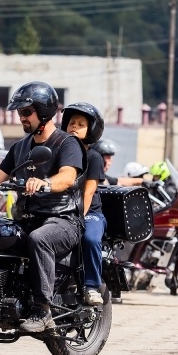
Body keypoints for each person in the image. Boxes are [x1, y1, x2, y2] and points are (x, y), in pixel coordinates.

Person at [0, 81, 85, 333]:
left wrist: (44, 183)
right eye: (19, 113)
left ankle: (43, 311)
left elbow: (66, 177)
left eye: (26, 112)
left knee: (39, 238)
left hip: (63, 220)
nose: (21, 117)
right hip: (28, 219)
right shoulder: (20, 147)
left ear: (43, 112)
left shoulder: (67, 143)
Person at [61, 102, 106, 306]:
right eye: (71, 122)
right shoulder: (59, 153)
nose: (74, 127)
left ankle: (91, 286)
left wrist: (78, 219)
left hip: (89, 212)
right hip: (62, 210)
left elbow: (88, 192)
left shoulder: (94, 157)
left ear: (91, 130)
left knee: (89, 238)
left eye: (81, 124)